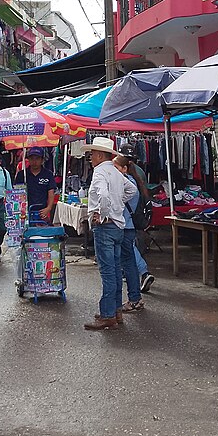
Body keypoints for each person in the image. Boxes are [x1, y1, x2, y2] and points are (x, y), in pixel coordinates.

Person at [83, 137, 136, 331]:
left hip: (106, 227)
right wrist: (118, 204)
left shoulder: (99, 172)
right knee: (114, 269)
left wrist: (103, 214)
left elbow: (104, 196)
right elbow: (132, 189)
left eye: (91, 155)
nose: (90, 158)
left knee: (107, 271)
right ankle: (115, 311)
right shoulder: (115, 171)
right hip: (118, 226)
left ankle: (108, 315)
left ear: (98, 154)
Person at [112, 154, 145, 312]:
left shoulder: (128, 184)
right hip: (127, 227)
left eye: (116, 168)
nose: (114, 171)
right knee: (128, 262)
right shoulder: (131, 181)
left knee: (128, 263)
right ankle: (135, 298)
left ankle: (134, 299)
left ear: (125, 169)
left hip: (126, 227)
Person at [24, 147, 57, 222]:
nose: (34, 161)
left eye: (37, 158)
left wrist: (48, 208)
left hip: (42, 212)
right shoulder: (22, 174)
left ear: (42, 160)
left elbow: (51, 192)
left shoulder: (48, 174)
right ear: (28, 159)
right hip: (25, 212)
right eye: (32, 158)